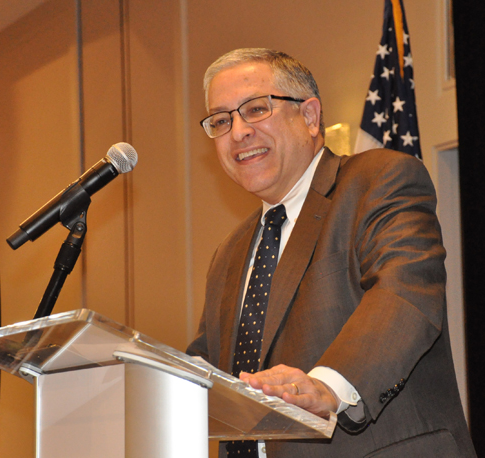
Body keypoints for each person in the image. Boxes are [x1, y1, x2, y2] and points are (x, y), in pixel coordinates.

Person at [186, 48, 476, 457]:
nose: (237, 133)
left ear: (308, 116)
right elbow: (208, 368)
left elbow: (405, 291)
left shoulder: (377, 180)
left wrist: (328, 386)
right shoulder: (229, 253)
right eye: (221, 120)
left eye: (255, 109)